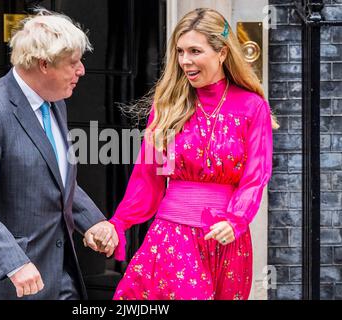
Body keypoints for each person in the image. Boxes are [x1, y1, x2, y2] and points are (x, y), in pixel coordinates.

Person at [0, 9, 118, 300]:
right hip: (2, 286)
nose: (81, 71)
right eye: (73, 63)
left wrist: (93, 221)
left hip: (57, 277)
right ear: (43, 65)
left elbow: (56, 177)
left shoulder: (55, 101)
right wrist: (14, 262)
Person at [108, 8, 277, 300]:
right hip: (173, 234)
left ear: (222, 53)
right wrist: (119, 222)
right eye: (180, 52)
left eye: (195, 51)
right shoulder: (168, 106)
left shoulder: (252, 107)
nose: (185, 61)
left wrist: (236, 219)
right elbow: (147, 177)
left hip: (227, 238)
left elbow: (256, 176)